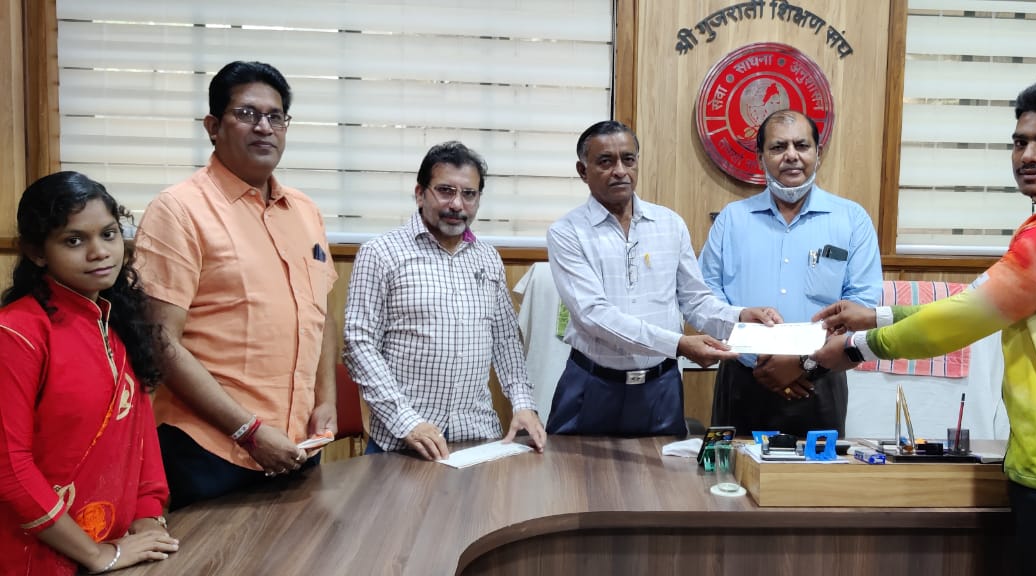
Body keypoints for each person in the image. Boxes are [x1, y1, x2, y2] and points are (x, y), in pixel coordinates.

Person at [811, 78, 1036, 576]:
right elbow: (984, 300)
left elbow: (962, 320)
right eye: (1021, 142)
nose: (1029, 155)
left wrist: (856, 348)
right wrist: (878, 314)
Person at [132, 61, 338, 510]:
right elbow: (160, 341)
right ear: (213, 126)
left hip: (295, 446)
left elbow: (321, 315)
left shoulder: (306, 211)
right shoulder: (179, 210)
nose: (264, 127)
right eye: (246, 114)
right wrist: (248, 430)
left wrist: (327, 400)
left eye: (276, 116)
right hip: (208, 451)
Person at [545, 120, 781, 436]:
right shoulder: (567, 232)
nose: (619, 170)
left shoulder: (669, 224)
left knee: (663, 482)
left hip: (660, 387)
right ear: (582, 170)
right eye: (605, 161)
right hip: (592, 385)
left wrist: (739, 317)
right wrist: (680, 344)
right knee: (578, 480)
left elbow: (695, 301)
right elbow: (593, 316)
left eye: (628, 159)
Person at [0, 172, 180, 575]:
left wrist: (148, 516)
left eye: (109, 234)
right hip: (35, 558)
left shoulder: (118, 324)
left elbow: (140, 436)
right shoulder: (16, 333)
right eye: (74, 240)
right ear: (36, 252)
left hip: (117, 550)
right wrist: (97, 554)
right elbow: (9, 468)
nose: (100, 252)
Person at [345, 141, 546, 460]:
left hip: (477, 438)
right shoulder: (381, 253)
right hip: (404, 441)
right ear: (419, 193)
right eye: (445, 190)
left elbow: (506, 339)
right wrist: (407, 422)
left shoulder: (488, 258)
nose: (457, 204)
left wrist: (523, 404)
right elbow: (359, 344)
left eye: (469, 194)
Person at [699, 109, 881, 437]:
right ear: (761, 157)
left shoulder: (852, 220)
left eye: (802, 145)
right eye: (778, 147)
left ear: (818, 153)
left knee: (817, 486)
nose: (792, 156)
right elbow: (705, 296)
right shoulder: (732, 220)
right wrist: (760, 359)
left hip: (820, 382)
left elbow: (862, 305)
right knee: (730, 483)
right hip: (743, 380)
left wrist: (803, 362)